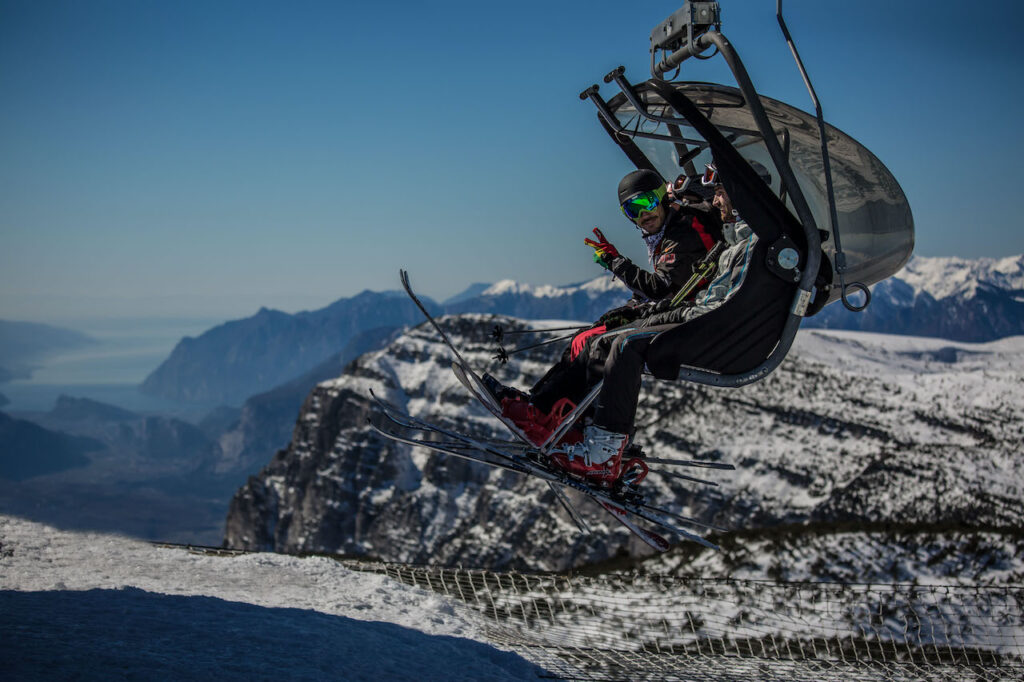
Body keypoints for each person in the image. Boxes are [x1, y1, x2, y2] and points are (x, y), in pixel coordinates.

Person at [483, 168, 725, 484]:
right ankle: (545, 408)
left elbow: (662, 288)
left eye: (645, 203)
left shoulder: (681, 232)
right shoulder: (669, 226)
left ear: (661, 197)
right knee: (586, 339)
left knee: (603, 345)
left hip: (692, 318)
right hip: (675, 309)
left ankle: (592, 434)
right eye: (631, 210)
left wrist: (615, 262)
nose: (641, 215)